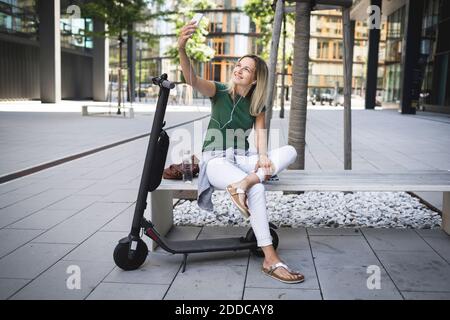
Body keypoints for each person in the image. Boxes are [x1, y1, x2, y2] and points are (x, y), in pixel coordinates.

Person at [177, 21, 304, 284]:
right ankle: (271, 259)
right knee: (257, 189)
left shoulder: (257, 104)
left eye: (246, 69)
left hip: (242, 159)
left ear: (255, 78)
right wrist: (182, 47)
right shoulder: (218, 91)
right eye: (239, 65)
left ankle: (244, 183)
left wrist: (264, 157)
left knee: (290, 150)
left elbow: (260, 137)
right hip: (215, 160)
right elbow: (191, 79)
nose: (239, 69)